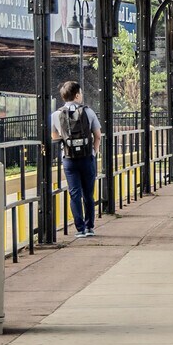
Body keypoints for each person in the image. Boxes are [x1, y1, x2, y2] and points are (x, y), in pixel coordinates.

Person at [53, 79, 101, 238]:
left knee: (74, 193)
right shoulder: (88, 112)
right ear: (77, 95)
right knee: (88, 194)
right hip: (87, 157)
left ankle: (79, 229)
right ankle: (90, 227)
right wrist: (93, 152)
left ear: (63, 97)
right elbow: (98, 136)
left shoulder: (56, 115)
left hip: (68, 159)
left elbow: (55, 137)